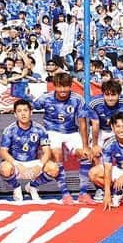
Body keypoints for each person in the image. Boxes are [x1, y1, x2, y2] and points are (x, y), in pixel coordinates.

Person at [33, 71, 90, 204]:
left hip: (71, 131)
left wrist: (86, 145)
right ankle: (65, 194)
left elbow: (82, 123)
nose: (63, 90)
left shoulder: (78, 99)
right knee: (57, 155)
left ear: (70, 86)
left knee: (85, 155)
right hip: (52, 131)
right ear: (54, 86)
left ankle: (83, 193)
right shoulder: (45, 98)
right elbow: (29, 107)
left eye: (66, 86)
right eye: (59, 86)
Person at [0, 99, 59, 202]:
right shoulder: (9, 130)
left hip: (33, 163)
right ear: (15, 114)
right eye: (19, 111)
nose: (23, 114)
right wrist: (17, 164)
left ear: (31, 112)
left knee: (54, 168)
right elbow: (3, 152)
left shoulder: (40, 129)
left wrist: (38, 166)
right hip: (16, 164)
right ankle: (16, 188)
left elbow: (47, 151)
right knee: (5, 168)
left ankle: (32, 186)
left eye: (25, 110)